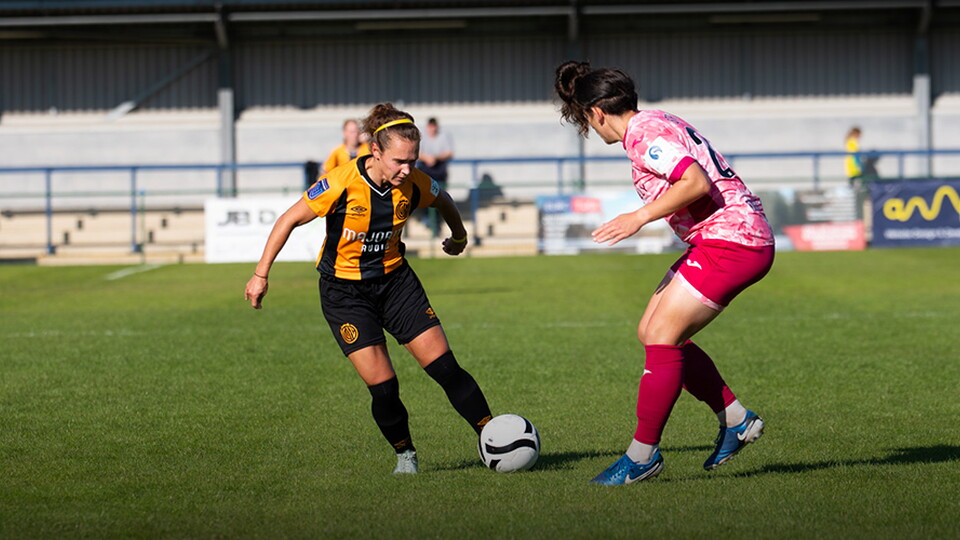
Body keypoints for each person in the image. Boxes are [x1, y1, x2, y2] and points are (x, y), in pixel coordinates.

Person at [554, 61, 775, 485]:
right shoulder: (657, 121)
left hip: (732, 241)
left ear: (597, 112)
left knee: (661, 337)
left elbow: (694, 183)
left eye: (586, 119)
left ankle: (642, 457)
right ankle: (736, 418)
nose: (590, 128)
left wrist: (637, 217)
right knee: (651, 331)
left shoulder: (643, 135)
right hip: (725, 238)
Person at [244, 103, 492, 475]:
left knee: (445, 368)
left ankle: (493, 436)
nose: (407, 169)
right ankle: (405, 454)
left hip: (397, 284)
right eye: (399, 161)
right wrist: (261, 275)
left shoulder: (414, 182)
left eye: (413, 160)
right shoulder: (341, 183)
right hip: (345, 295)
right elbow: (288, 219)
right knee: (385, 388)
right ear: (375, 152)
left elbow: (443, 199)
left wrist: (459, 235)